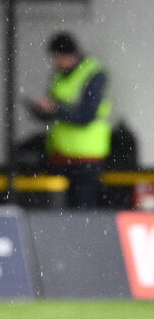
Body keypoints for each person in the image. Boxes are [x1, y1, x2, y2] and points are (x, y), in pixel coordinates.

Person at [27, 32, 112, 209]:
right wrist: (40, 110)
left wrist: (56, 109)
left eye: (57, 57)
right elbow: (54, 110)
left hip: (87, 157)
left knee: (83, 209)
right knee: (61, 211)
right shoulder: (59, 74)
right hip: (60, 155)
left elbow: (86, 115)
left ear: (69, 54)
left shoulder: (93, 74)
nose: (55, 62)